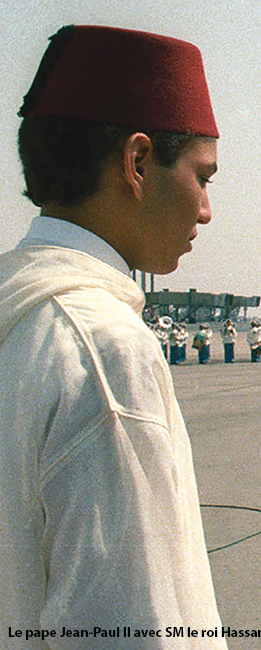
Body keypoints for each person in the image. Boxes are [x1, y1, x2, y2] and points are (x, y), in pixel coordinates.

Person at [0, 24, 225, 644]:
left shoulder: (19, 317)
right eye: (203, 178)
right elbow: (133, 627)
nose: (205, 209)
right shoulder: (105, 350)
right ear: (137, 162)